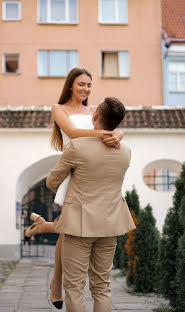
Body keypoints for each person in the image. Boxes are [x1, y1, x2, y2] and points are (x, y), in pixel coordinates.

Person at [24, 67, 123, 309]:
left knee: (68, 231)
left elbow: (115, 122)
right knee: (70, 230)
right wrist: (106, 134)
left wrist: (119, 133)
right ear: (70, 85)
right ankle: (56, 283)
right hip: (74, 169)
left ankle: (55, 280)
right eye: (81, 84)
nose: (86, 89)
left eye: (89, 85)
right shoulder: (59, 109)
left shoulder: (94, 111)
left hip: (93, 170)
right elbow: (71, 132)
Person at [46, 97, 136, 312]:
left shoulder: (77, 147)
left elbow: (51, 182)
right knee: (102, 287)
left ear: (94, 117)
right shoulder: (125, 150)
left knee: (75, 286)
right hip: (110, 224)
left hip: (79, 226)